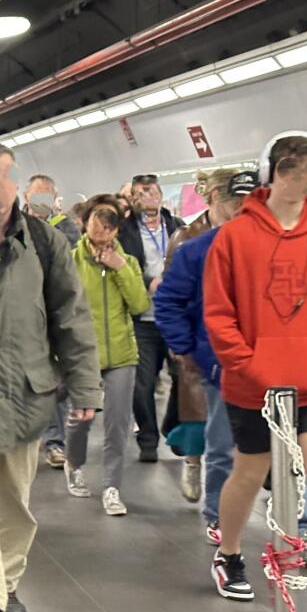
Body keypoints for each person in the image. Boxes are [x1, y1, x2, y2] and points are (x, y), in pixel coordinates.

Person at [0, 143, 101, 612]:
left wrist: (85, 385)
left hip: (25, 395)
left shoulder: (45, 243)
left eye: (2, 181)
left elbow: (71, 316)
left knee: (15, 504)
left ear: (18, 185)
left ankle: (5, 584)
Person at [204, 132, 307, 608]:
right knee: (249, 470)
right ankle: (229, 551)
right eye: (302, 174)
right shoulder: (235, 237)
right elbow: (219, 313)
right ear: (278, 172)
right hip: (253, 386)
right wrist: (248, 365)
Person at [154, 169, 254, 546]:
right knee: (221, 442)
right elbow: (168, 301)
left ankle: (303, 519)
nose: (242, 210)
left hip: (273, 364)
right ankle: (217, 513)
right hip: (220, 365)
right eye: (234, 202)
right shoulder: (197, 248)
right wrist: (184, 346)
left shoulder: (275, 247)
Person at [62, 195, 150, 515]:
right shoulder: (70, 261)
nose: (104, 226)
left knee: (118, 424)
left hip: (122, 355)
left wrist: (120, 268)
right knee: (80, 420)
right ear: (84, 222)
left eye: (111, 221)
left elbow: (140, 305)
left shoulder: (128, 263)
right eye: (98, 218)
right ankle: (74, 465)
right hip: (83, 355)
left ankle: (112, 487)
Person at [119, 173, 184, 461]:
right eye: (141, 193)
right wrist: (148, 282)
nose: (148, 197)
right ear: (133, 198)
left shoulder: (178, 227)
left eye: (152, 191)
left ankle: (172, 425)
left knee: (183, 378)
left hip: (174, 317)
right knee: (142, 383)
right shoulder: (125, 231)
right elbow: (124, 267)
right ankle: (147, 438)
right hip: (142, 318)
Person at [22, 174, 79, 470]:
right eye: (37, 195)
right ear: (26, 197)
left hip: (54, 312)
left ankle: (55, 441)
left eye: (47, 195)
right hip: (21, 315)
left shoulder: (68, 229)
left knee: (56, 379)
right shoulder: (12, 226)